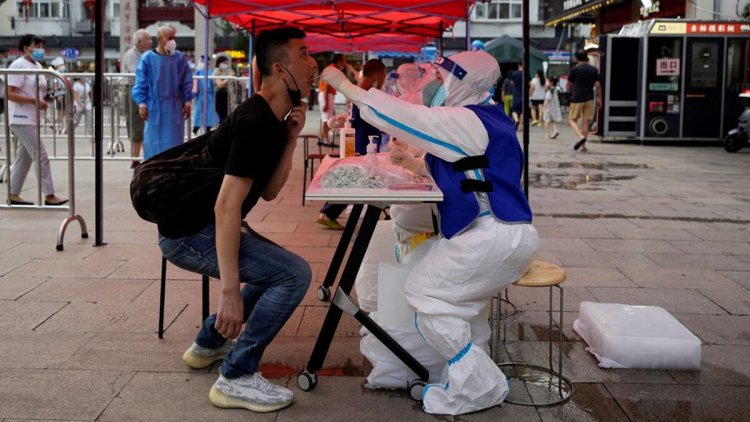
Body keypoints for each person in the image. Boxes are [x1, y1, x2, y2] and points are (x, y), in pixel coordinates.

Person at [322, 49, 538, 415]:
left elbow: (407, 117)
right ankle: (470, 376)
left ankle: (479, 384)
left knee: (425, 297)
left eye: (441, 80)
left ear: (462, 82)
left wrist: (347, 87)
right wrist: (414, 164)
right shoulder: (488, 118)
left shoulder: (467, 119)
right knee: (459, 306)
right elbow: (471, 171)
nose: (435, 86)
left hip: (492, 236)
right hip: (504, 234)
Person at [157, 27, 312, 413]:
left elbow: (271, 191)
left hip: (198, 224)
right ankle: (237, 376)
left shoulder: (274, 121)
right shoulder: (255, 121)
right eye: (304, 54)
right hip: (188, 232)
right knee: (293, 274)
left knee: (276, 270)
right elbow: (226, 207)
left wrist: (291, 140)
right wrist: (229, 292)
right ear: (280, 68)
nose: (313, 64)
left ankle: (207, 345)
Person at [315, 59, 386, 231]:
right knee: (355, 179)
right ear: (377, 74)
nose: (384, 80)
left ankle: (329, 212)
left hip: (357, 139)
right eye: (384, 76)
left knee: (354, 177)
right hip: (363, 142)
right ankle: (328, 212)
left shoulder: (359, 89)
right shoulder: (367, 93)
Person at [5, 35, 68, 206]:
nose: (40, 49)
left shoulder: (38, 65)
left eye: (42, 46)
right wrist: (34, 101)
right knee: (41, 155)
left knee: (24, 158)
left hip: (33, 117)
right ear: (26, 48)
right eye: (36, 46)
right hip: (21, 118)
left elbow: (37, 91)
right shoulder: (18, 65)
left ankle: (13, 194)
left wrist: (46, 98)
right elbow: (9, 93)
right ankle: (49, 195)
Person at [131, 25, 192, 160]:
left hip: (174, 108)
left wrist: (187, 101)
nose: (173, 41)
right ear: (160, 39)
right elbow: (140, 82)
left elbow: (186, 81)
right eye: (170, 38)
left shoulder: (179, 59)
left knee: (173, 144)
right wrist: (141, 103)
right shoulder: (147, 59)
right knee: (153, 145)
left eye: (174, 38)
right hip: (153, 107)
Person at [122, 28, 152, 169]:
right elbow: (139, 74)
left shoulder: (148, 54)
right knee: (135, 124)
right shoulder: (131, 55)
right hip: (133, 90)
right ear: (140, 41)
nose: (150, 41)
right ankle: (135, 160)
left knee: (145, 123)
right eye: (148, 39)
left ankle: (146, 157)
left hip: (145, 91)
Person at [568, 49, 602, 152]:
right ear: (586, 57)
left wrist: (572, 88)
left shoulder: (575, 69)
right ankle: (583, 147)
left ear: (576, 58)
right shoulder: (593, 70)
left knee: (572, 119)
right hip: (589, 98)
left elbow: (569, 84)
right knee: (585, 121)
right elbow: (597, 85)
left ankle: (580, 137)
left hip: (577, 97)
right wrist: (600, 98)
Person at [317, 54, 346, 143]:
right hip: (326, 94)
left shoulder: (332, 69)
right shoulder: (332, 70)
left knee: (327, 117)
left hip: (327, 94)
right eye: (343, 61)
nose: (344, 63)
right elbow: (326, 87)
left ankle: (323, 137)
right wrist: (326, 102)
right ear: (339, 61)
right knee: (327, 118)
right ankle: (326, 139)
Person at [191, 56, 218, 134]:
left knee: (209, 113)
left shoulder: (211, 72)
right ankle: (195, 128)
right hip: (200, 96)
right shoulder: (198, 72)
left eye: (208, 62)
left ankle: (207, 130)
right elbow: (194, 85)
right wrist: (193, 95)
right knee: (198, 112)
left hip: (209, 96)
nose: (207, 63)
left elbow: (214, 83)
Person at [213, 55, 235, 122]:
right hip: (219, 94)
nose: (226, 65)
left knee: (225, 114)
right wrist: (229, 77)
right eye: (224, 63)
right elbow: (220, 85)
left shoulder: (225, 71)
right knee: (221, 114)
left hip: (225, 94)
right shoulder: (216, 72)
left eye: (227, 63)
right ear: (219, 63)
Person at [510, 62, 524, 129]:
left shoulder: (514, 73)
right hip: (523, 95)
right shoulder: (526, 74)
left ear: (518, 65)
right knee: (522, 112)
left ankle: (516, 120)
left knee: (514, 110)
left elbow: (512, 83)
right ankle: (521, 127)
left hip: (516, 94)